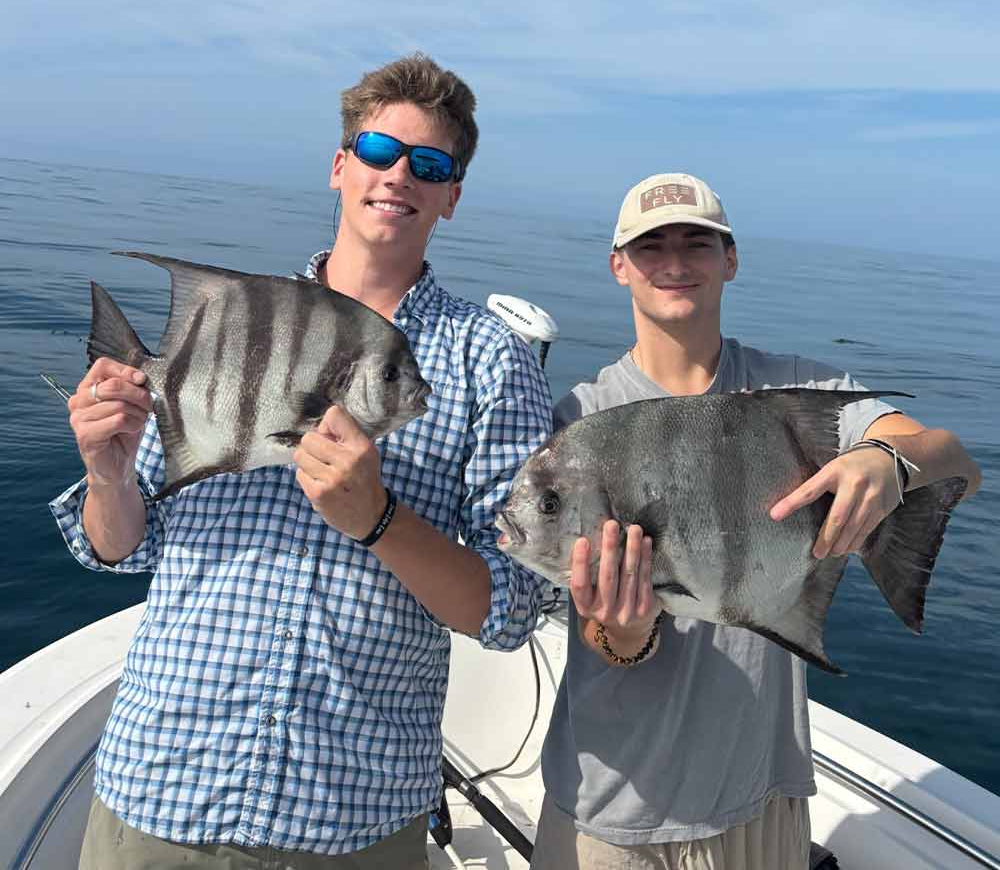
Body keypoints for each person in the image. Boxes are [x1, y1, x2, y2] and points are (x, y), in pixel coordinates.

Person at [51, 53, 553, 869]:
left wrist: (379, 520)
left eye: (429, 164)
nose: (399, 176)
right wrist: (108, 474)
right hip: (159, 789)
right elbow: (118, 546)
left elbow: (509, 607)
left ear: (451, 196)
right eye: (379, 152)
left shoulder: (489, 360)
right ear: (339, 165)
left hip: (351, 818)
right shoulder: (240, 312)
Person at [530, 171, 982, 870]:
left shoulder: (800, 392)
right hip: (612, 809)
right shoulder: (580, 423)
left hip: (763, 798)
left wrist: (889, 462)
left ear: (730, 259)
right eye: (651, 247)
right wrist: (620, 632)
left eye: (696, 243)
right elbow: (594, 633)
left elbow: (957, 465)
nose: (675, 263)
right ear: (619, 266)